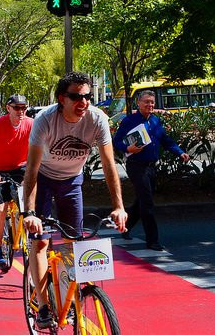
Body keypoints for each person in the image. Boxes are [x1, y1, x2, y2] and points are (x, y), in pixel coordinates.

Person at [22, 71, 127, 329]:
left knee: (74, 243)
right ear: (62, 98)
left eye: (88, 97)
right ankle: (44, 308)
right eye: (77, 97)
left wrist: (119, 207)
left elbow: (109, 164)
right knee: (41, 242)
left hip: (72, 181)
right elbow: (32, 171)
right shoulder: (45, 120)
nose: (84, 103)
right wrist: (30, 212)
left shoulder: (97, 119)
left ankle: (68, 298)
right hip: (44, 179)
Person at [113, 90, 190, 251]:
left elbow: (165, 140)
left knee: (141, 200)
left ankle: (124, 226)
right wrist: (128, 148)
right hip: (136, 166)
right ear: (139, 104)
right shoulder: (129, 120)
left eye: (152, 102)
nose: (150, 105)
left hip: (150, 167)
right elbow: (116, 141)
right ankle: (152, 241)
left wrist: (180, 152)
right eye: (146, 102)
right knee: (147, 203)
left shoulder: (155, 121)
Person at [0, 94, 33, 268]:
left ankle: (32, 242)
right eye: (17, 108)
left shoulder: (30, 124)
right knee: (1, 208)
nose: (21, 111)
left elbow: (37, 149)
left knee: (29, 207)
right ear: (8, 108)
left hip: (21, 168)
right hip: (0, 171)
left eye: (23, 108)